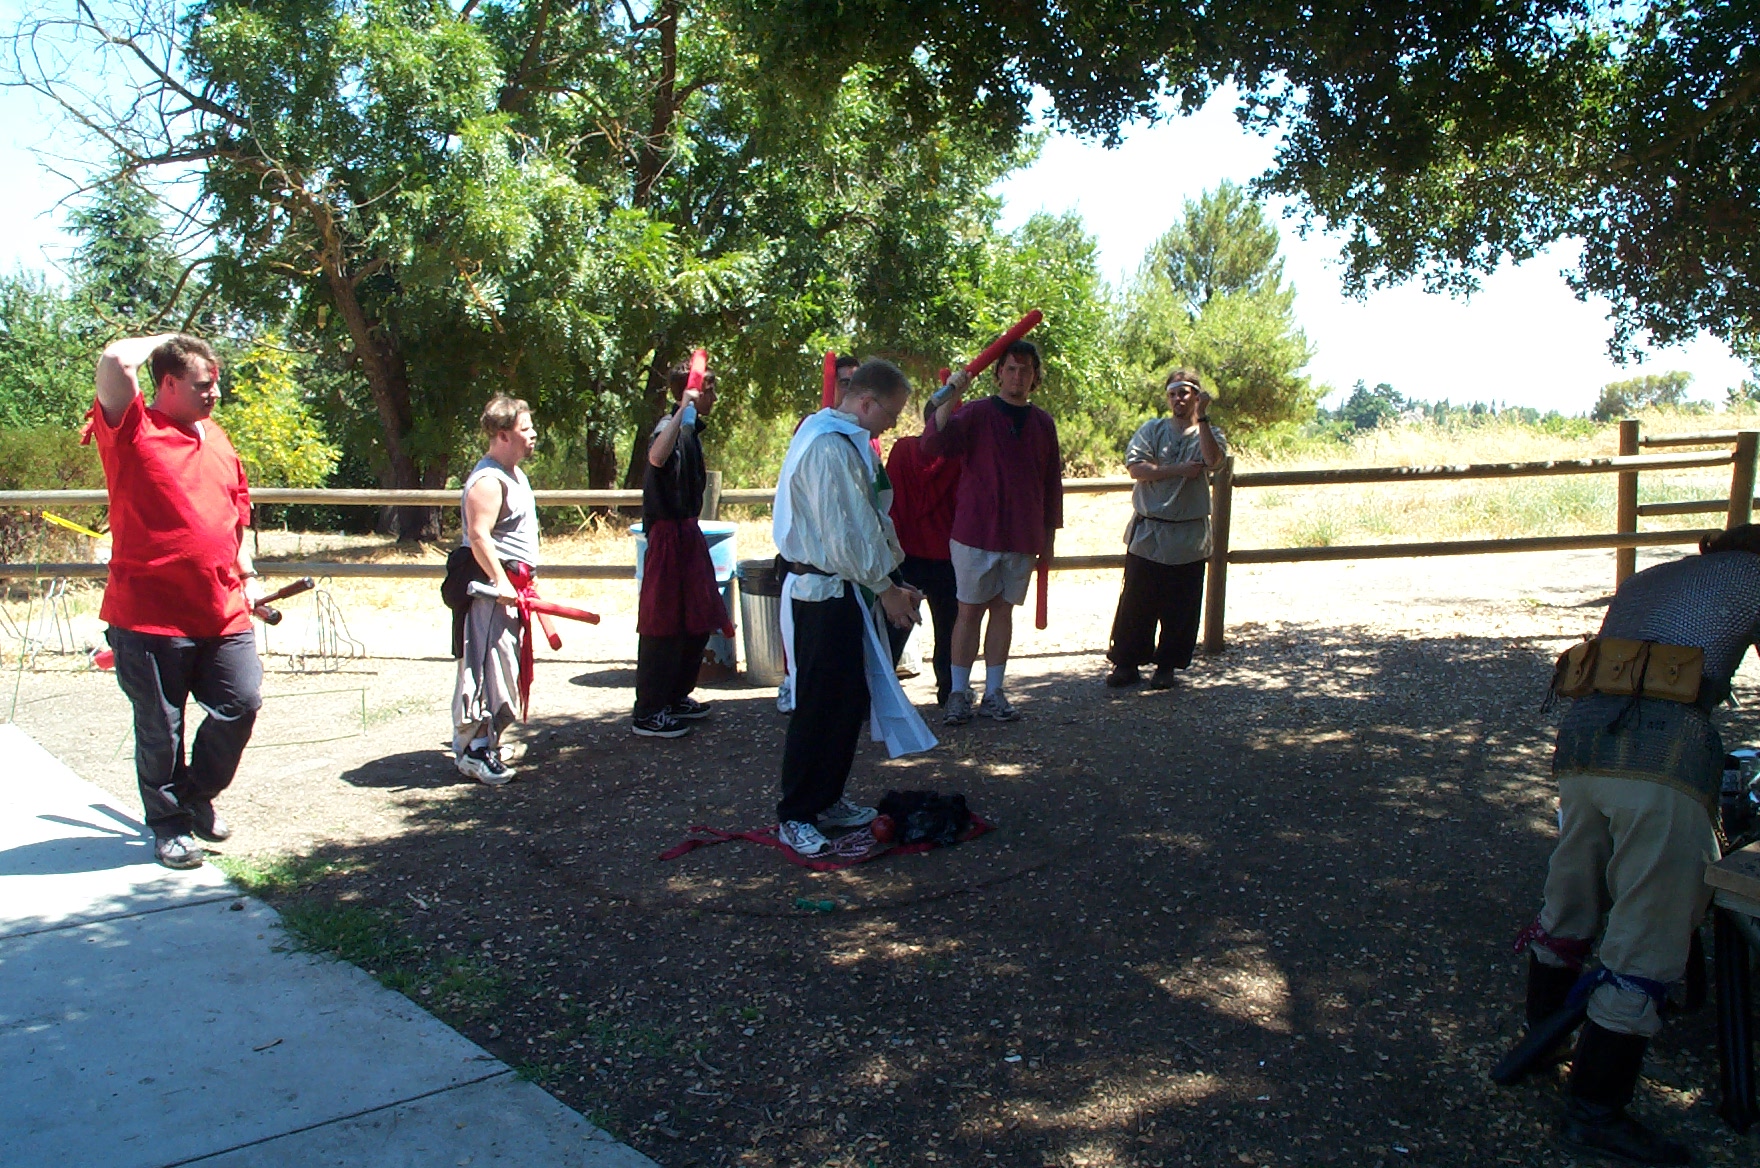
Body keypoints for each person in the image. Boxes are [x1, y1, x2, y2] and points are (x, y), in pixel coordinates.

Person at [1509, 527, 1760, 1165]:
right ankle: (1595, 1111)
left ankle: (1542, 1044)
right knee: (1649, 933)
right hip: (1665, 762)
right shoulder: (1756, 580)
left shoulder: (1651, 578)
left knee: (1570, 902)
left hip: (1583, 748)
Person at [88, 334, 263, 870]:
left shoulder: (218, 438)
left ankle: (194, 795)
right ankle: (168, 826)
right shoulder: (132, 428)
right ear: (168, 382)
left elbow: (235, 517)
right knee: (161, 729)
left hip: (221, 607)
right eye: (203, 384)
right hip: (148, 616)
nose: (215, 394)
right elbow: (116, 359)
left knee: (240, 703)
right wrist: (172, 339)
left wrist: (249, 575)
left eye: (216, 384)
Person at [771, 359, 934, 856]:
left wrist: (893, 577)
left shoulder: (845, 441)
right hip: (821, 593)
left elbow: (868, 519)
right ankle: (796, 814)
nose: (891, 424)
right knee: (818, 705)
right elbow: (845, 535)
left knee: (846, 702)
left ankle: (827, 797)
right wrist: (884, 587)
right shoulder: (827, 446)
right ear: (866, 402)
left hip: (844, 590)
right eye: (890, 413)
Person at [922, 340, 1062, 725]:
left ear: (1035, 377)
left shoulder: (1043, 424)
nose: (1017, 376)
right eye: (1011, 368)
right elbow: (934, 442)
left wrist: (1048, 538)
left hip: (1021, 535)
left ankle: (994, 693)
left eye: (1025, 370)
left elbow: (1051, 484)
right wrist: (952, 393)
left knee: (1003, 612)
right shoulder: (976, 413)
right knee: (968, 612)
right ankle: (957, 693)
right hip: (976, 533)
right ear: (999, 373)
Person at [1106, 369, 1227, 689]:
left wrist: (1203, 419)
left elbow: (1214, 461)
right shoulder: (1152, 430)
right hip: (1149, 533)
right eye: (1173, 394)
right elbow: (1137, 468)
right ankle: (1127, 663)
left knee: (1181, 606)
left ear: (1197, 396)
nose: (1178, 399)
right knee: (1136, 603)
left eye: (1184, 393)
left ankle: (1167, 667)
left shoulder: (1210, 433)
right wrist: (1178, 470)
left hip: (1188, 536)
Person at [633, 359, 733, 738]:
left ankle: (675, 696)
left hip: (687, 535)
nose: (714, 398)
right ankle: (648, 711)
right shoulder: (668, 426)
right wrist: (682, 408)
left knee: (696, 620)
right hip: (666, 538)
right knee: (664, 623)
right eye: (709, 391)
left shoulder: (690, 430)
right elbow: (657, 457)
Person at [450, 396, 540, 785]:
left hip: (512, 589)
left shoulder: (514, 474)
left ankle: (488, 742)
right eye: (525, 429)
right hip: (490, 591)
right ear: (503, 435)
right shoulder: (488, 481)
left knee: (506, 669)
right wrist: (501, 582)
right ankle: (474, 752)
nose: (533, 434)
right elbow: (478, 535)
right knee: (488, 667)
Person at [886, 400, 964, 707]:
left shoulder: (903, 450)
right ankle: (950, 691)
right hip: (947, 554)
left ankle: (878, 694)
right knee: (950, 628)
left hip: (908, 553)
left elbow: (890, 502)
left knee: (896, 625)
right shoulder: (959, 458)